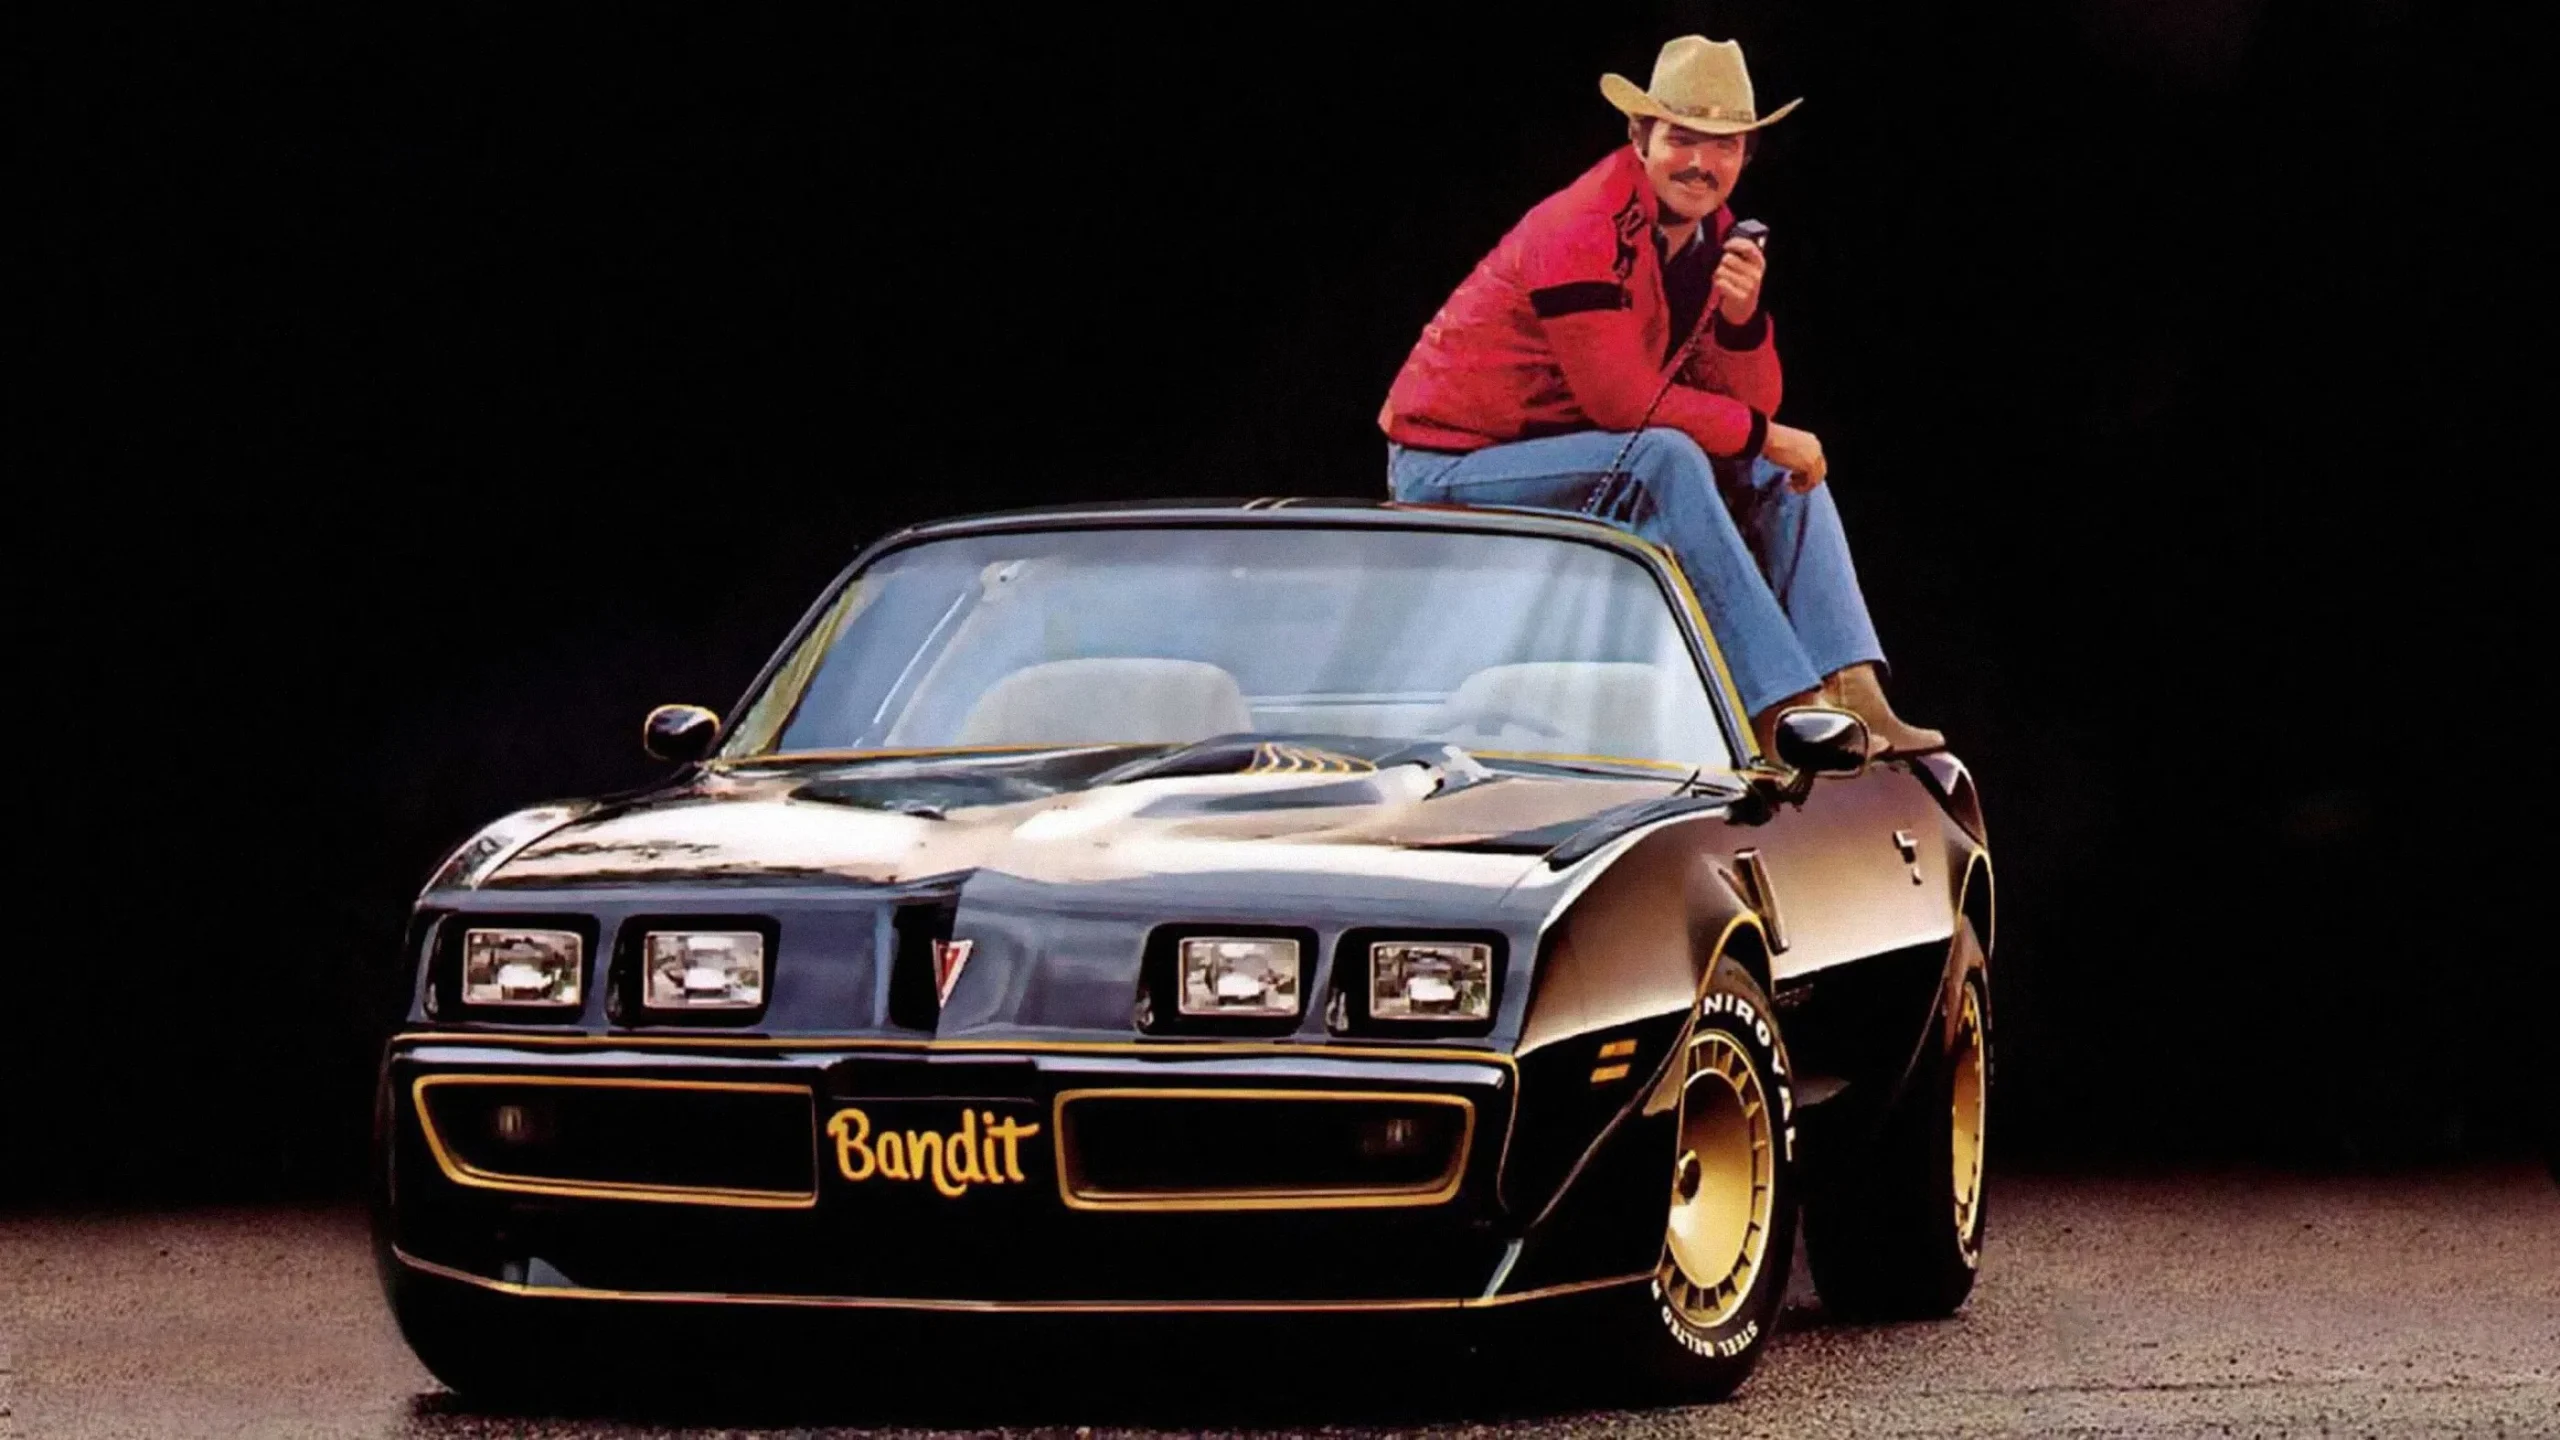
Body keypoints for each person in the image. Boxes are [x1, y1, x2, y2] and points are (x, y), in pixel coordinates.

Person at [1379, 35, 1943, 757]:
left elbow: (1753, 407)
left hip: (1571, 453)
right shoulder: (1581, 226)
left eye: (1724, 145)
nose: (1701, 163)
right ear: (1639, 137)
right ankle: (1780, 707)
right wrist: (1766, 434)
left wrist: (1740, 323)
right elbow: (1622, 405)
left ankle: (1852, 689)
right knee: (1667, 456)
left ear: (1745, 156)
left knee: (1775, 472)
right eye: (1682, 139)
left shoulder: (1707, 236)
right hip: (1450, 467)